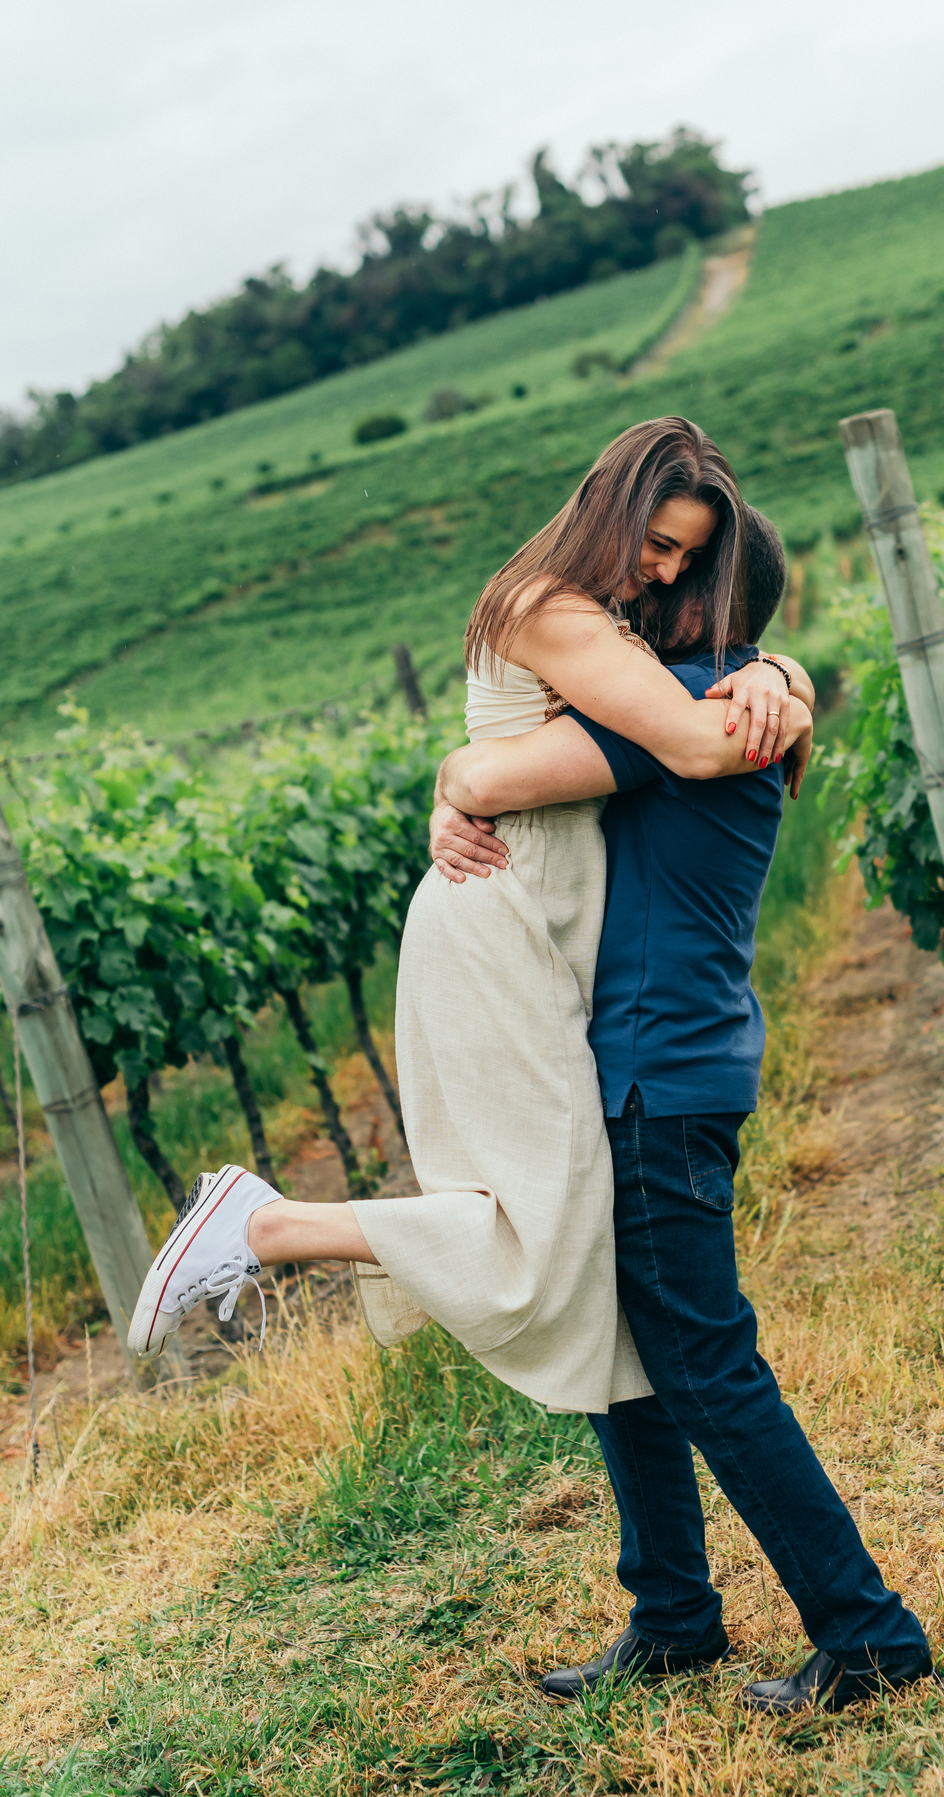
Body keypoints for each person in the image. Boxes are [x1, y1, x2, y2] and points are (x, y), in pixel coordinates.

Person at [128, 419, 808, 1424]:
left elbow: (669, 691)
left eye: (689, 559)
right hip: (507, 914)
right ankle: (266, 1225)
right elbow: (693, 741)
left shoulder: (608, 615)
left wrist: (776, 669)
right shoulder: (548, 606)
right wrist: (776, 688)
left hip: (550, 917)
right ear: (613, 509)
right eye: (660, 544)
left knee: (587, 1245)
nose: (668, 571)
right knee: (548, 1235)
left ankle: (663, 1549)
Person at [429, 509, 937, 1716]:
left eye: (675, 579)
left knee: (706, 1366)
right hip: (667, 1067)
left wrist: (454, 788)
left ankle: (869, 1635)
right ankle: (672, 1616)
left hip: (651, 1080)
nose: (642, 598)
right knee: (635, 1355)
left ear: (709, 606)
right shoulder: (730, 703)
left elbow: (485, 773)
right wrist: (784, 673)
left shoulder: (683, 717)